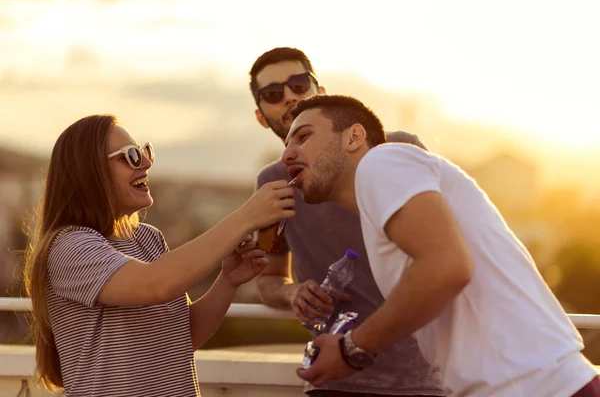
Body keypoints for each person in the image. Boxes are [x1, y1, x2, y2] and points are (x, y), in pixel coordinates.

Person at [282, 94, 600, 397]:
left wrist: (350, 348)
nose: (287, 155)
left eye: (303, 137)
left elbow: (447, 266)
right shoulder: (379, 205)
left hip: (537, 386)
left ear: (353, 138)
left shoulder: (381, 161)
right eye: (287, 144)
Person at [23, 114, 295, 396]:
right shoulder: (70, 247)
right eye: (130, 156)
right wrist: (246, 216)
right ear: (89, 172)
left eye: (144, 151)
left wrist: (227, 281)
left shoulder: (148, 238)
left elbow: (180, 337)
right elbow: (155, 284)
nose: (146, 163)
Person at [249, 47, 446, 396]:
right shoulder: (272, 184)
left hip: (423, 378)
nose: (291, 97)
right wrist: (292, 292)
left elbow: (445, 252)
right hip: (331, 377)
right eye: (274, 94)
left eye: (299, 84)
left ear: (319, 91)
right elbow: (268, 279)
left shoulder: (395, 147)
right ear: (261, 117)